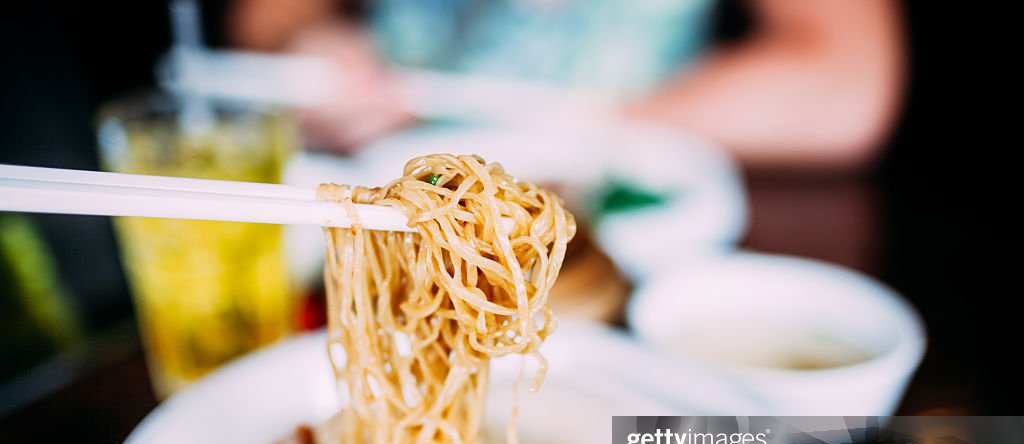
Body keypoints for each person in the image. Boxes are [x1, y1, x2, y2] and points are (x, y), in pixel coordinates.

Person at [227, 0, 904, 168]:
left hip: (632, 194)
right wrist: (305, 50)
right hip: (374, 172)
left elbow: (848, 85)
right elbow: (269, 16)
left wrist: (606, 119)